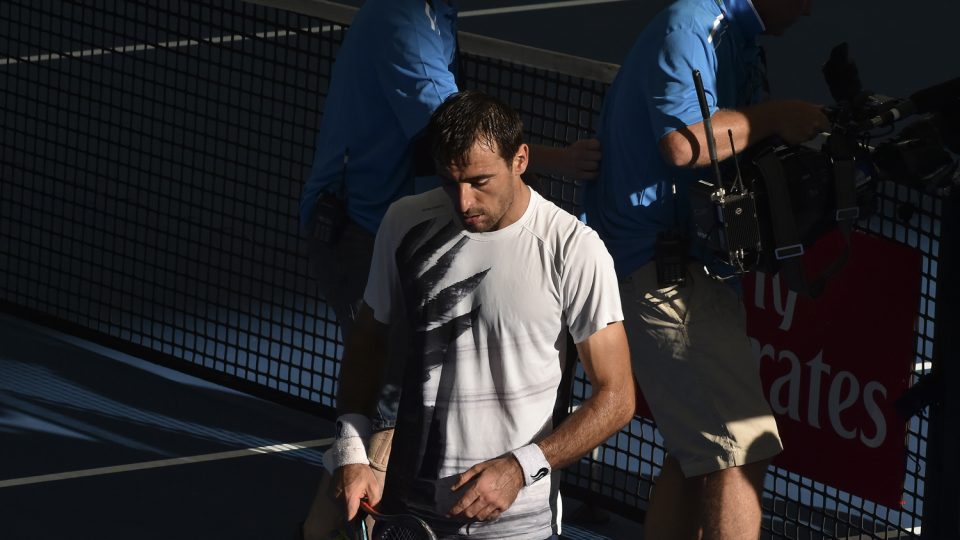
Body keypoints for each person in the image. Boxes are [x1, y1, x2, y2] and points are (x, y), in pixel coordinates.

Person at [300, 1, 601, 537]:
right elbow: (449, 128)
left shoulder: (435, 11)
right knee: (395, 411)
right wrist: (555, 160)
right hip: (358, 232)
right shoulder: (405, 19)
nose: (465, 200)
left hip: (368, 222)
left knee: (396, 412)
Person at [325, 90, 635, 539]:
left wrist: (518, 469)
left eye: (480, 181)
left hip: (516, 524)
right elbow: (368, 341)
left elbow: (618, 396)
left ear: (521, 160)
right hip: (409, 507)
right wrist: (352, 449)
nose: (464, 201)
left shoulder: (573, 249)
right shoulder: (404, 222)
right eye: (450, 182)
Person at [580, 0, 829, 538]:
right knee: (742, 446)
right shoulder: (692, 24)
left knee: (695, 454)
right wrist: (777, 116)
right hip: (661, 268)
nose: (812, 9)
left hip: (695, 267)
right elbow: (682, 143)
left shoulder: (736, 36)